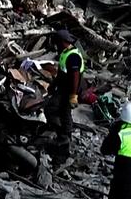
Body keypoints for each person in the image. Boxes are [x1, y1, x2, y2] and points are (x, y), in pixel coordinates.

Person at [44, 29, 84, 164]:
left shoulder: (73, 56)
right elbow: (62, 72)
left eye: (57, 43)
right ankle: (63, 136)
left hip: (68, 90)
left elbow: (75, 76)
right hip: (62, 88)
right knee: (62, 112)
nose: (56, 46)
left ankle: (63, 138)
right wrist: (53, 85)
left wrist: (73, 94)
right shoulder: (65, 53)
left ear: (62, 42)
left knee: (53, 110)